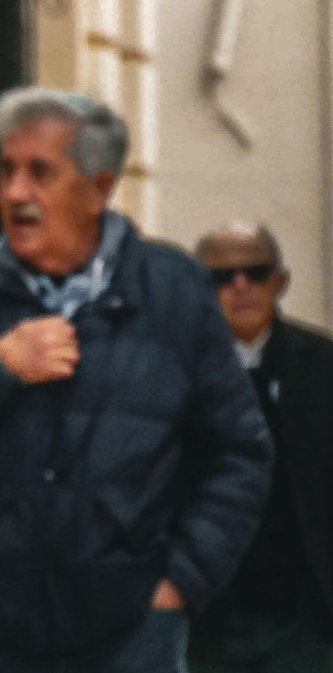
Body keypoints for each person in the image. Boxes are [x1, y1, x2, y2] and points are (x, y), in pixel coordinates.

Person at [0, 87, 272, 673]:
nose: (15, 193)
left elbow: (240, 451)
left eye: (40, 173)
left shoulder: (172, 291)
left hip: (132, 632)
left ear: (100, 188)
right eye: (7, 171)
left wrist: (181, 579)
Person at [189, 222, 333, 673]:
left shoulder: (323, 367)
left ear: (280, 281)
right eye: (221, 277)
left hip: (307, 612)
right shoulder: (174, 376)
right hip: (210, 616)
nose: (241, 287)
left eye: (255, 272)